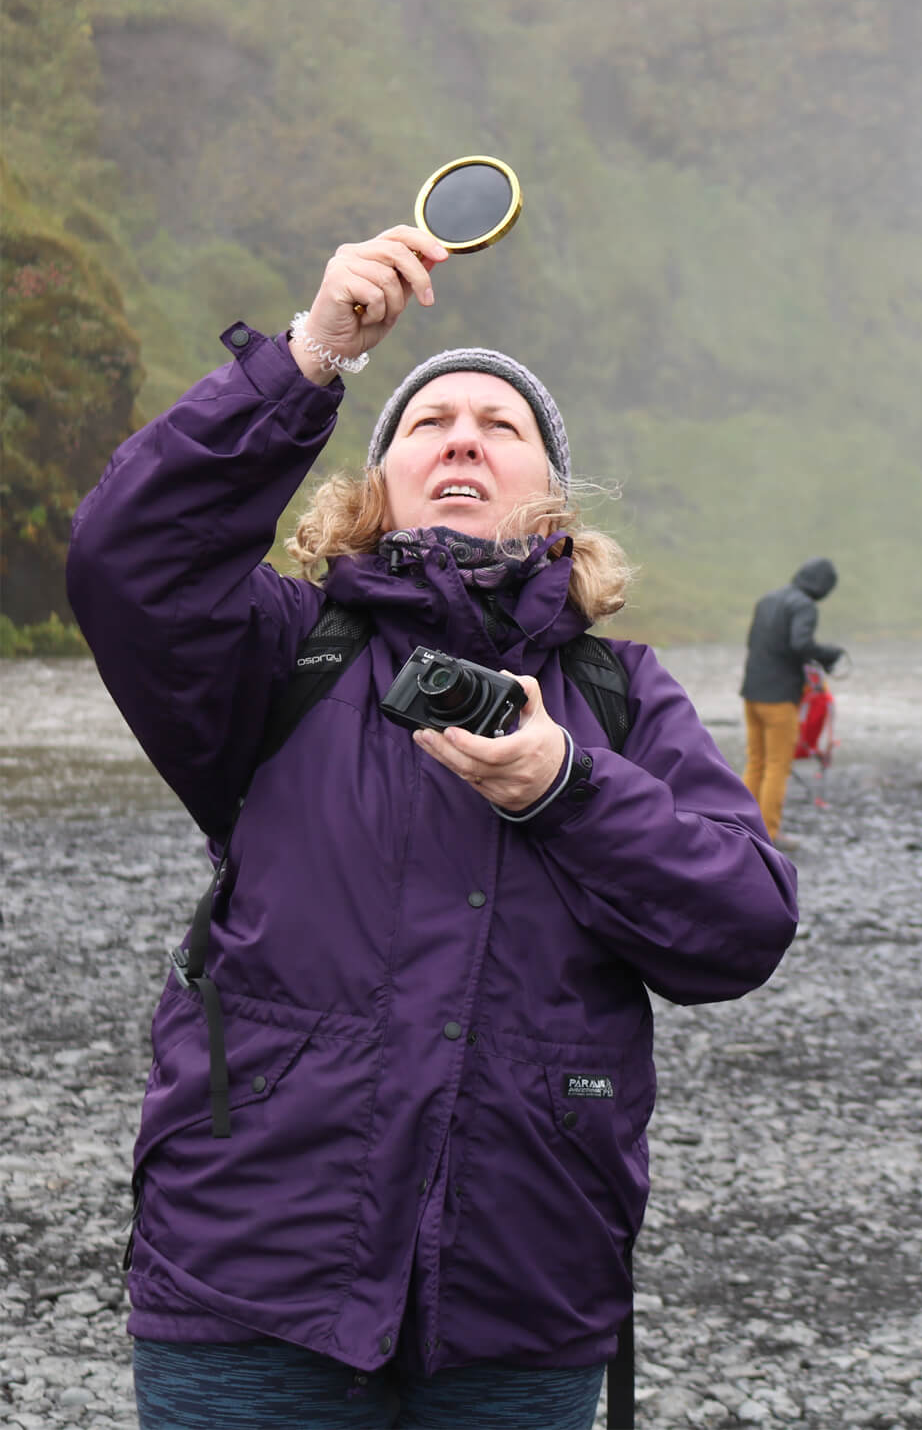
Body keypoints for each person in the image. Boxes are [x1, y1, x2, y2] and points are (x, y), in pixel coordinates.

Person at [66, 225, 800, 1430]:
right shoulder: (278, 652)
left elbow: (744, 925)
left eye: (501, 427)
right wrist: (309, 358)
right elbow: (123, 561)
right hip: (253, 1283)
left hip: (520, 1303)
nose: (463, 435)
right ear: (378, 485)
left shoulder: (617, 696)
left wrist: (569, 789)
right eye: (429, 423)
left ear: (550, 499)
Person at [739, 558, 845, 844]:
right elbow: (800, 644)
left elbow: (753, 642)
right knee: (777, 765)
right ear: (823, 586)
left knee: (756, 761)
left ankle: (741, 829)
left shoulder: (768, 600)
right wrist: (828, 654)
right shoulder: (803, 606)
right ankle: (769, 835)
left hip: (752, 692)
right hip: (779, 698)